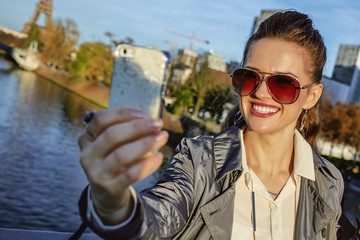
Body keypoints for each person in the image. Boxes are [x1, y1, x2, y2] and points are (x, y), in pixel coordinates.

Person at [76, 10, 344, 240]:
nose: (261, 93)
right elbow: (156, 218)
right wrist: (112, 203)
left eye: (283, 83)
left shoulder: (329, 182)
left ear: (312, 96)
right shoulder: (198, 161)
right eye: (249, 77)